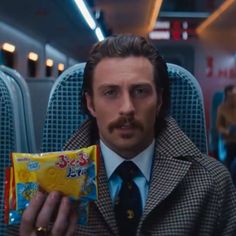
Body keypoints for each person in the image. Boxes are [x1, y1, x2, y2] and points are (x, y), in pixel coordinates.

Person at [20, 35, 236, 236]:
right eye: (110, 92)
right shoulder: (41, 187)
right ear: (91, 104)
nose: (127, 108)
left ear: (159, 101)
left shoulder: (213, 185)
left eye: (140, 91)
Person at [216, 85, 236, 183]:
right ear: (226, 96)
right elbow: (219, 127)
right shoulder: (222, 108)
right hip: (228, 142)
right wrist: (227, 131)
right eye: (231, 96)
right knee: (230, 167)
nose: (233, 98)